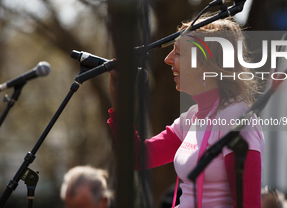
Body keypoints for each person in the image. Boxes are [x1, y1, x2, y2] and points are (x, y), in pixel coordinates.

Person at [108, 16, 264, 208]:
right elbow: (138, 157)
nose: (167, 59)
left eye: (179, 53)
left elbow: (248, 205)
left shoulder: (236, 117)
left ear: (205, 63)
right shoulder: (192, 117)